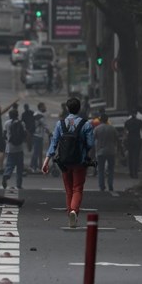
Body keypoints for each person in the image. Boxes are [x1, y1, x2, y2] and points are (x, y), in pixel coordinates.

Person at [43, 96, 95, 228]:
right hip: (79, 162)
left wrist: (46, 160)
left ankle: (69, 214)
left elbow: (54, 143)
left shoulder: (60, 124)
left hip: (64, 162)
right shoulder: (86, 124)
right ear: (79, 109)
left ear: (67, 109)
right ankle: (74, 211)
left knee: (68, 190)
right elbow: (90, 143)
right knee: (77, 188)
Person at [93, 113, 119, 192]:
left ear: (100, 120)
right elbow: (117, 139)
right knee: (111, 169)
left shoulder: (97, 129)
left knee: (101, 170)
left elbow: (92, 139)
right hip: (111, 151)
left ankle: (102, 186)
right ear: (107, 120)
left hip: (100, 151)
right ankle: (110, 185)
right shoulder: (112, 128)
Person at [2, 108, 26, 189]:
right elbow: (24, 134)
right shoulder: (22, 123)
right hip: (19, 147)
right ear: (17, 115)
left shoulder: (7, 123)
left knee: (10, 164)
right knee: (20, 167)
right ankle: (19, 184)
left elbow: (4, 135)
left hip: (10, 147)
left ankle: (6, 175)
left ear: (9, 116)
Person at [123, 111, 142, 178]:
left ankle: (131, 172)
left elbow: (125, 132)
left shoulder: (127, 122)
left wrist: (124, 140)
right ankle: (135, 173)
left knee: (130, 156)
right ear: (136, 114)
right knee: (136, 156)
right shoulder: (139, 121)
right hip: (137, 138)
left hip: (130, 139)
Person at [31, 102, 48, 173]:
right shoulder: (39, 115)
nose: (45, 108)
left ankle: (35, 166)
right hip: (38, 136)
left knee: (37, 152)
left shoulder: (36, 114)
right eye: (44, 106)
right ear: (41, 107)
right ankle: (33, 167)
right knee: (36, 152)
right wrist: (49, 132)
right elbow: (45, 125)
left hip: (37, 135)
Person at [20, 103, 36, 170]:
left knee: (29, 139)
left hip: (29, 129)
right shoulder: (30, 113)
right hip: (30, 129)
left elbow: (23, 122)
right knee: (29, 139)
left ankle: (29, 147)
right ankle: (29, 147)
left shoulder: (25, 114)